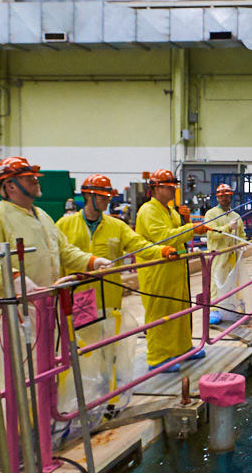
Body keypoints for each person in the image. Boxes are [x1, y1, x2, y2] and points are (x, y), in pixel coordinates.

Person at [57, 174, 173, 409]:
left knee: (108, 351)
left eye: (108, 196)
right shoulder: (64, 225)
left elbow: (139, 244)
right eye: (102, 196)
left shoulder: (116, 226)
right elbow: (58, 256)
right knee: (78, 350)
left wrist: (161, 251)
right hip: (77, 300)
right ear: (88, 196)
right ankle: (75, 402)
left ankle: (107, 399)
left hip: (108, 300)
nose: (106, 201)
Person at [0, 156, 111, 298]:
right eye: (29, 178)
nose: (36, 181)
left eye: (35, 177)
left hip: (45, 300)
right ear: (10, 185)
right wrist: (14, 278)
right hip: (12, 307)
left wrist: (92, 261)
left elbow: (64, 251)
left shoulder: (41, 216)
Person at [135, 169, 208, 373]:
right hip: (157, 271)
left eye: (173, 186)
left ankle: (182, 348)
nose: (172, 190)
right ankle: (158, 357)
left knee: (181, 309)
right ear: (156, 188)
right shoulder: (148, 211)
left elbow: (182, 237)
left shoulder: (170, 210)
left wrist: (186, 223)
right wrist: (192, 228)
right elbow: (164, 237)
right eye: (169, 187)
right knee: (159, 312)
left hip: (175, 269)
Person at [204, 184, 248, 324]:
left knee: (234, 281)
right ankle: (214, 310)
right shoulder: (211, 214)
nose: (224, 198)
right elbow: (212, 234)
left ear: (230, 196)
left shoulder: (236, 216)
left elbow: (242, 235)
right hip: (218, 255)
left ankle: (233, 306)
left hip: (233, 256)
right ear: (217, 197)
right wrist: (228, 227)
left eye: (226, 195)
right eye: (221, 196)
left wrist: (243, 245)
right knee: (217, 283)